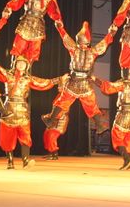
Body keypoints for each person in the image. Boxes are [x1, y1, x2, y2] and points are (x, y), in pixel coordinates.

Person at [41, 21, 113, 160]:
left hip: (76, 82)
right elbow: (104, 43)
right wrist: (111, 34)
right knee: (88, 105)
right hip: (84, 83)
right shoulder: (92, 51)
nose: (81, 44)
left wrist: (60, 28)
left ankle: (51, 119)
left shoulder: (75, 49)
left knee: (65, 101)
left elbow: (65, 38)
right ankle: (100, 125)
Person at [0, 52, 64, 169]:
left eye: (24, 63)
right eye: (19, 62)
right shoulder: (8, 75)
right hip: (9, 108)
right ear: (15, 64)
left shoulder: (28, 79)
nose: (22, 64)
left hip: (22, 109)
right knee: (8, 136)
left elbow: (42, 83)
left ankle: (26, 161)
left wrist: (59, 79)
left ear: (27, 65)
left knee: (25, 135)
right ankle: (10, 162)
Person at [2, 0, 64, 65]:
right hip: (27, 21)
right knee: (19, 45)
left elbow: (54, 11)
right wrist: (8, 8)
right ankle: (13, 69)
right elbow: (17, 0)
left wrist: (58, 20)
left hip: (38, 24)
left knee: (34, 50)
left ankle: (27, 72)